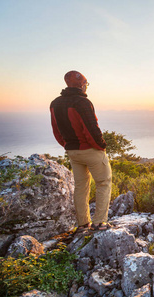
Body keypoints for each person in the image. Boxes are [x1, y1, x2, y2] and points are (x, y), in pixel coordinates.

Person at [50, 70, 112, 233]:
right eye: (86, 84)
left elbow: (56, 130)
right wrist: (101, 146)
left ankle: (83, 223)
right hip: (90, 150)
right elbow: (92, 129)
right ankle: (100, 222)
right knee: (104, 182)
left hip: (72, 151)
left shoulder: (55, 104)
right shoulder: (83, 103)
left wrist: (67, 145)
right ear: (81, 84)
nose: (86, 87)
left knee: (81, 186)